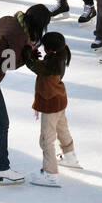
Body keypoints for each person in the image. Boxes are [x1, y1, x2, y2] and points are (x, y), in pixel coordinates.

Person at [0, 3, 51, 184]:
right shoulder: (18, 36)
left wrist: (25, 48)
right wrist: (28, 56)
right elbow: (8, 65)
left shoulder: (9, 20)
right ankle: (3, 168)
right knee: (2, 122)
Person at [22, 31, 79, 188]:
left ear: (50, 49)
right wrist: (34, 55)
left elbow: (33, 66)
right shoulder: (59, 57)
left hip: (50, 104)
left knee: (46, 140)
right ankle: (70, 156)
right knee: (62, 130)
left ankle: (50, 174)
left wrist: (27, 51)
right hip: (59, 101)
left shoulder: (51, 64)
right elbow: (40, 66)